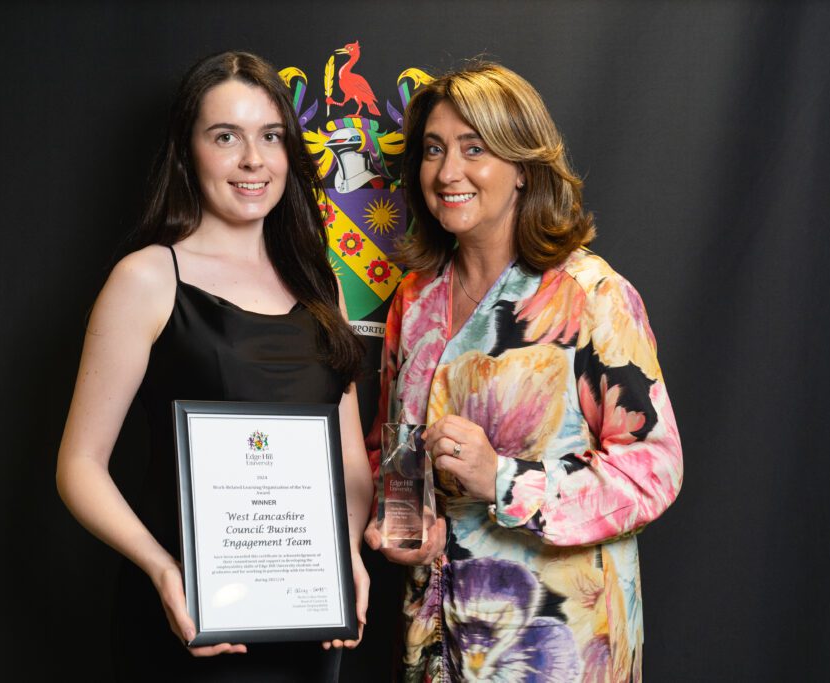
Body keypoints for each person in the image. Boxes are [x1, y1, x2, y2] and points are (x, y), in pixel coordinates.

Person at [57, 51, 372, 682]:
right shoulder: (148, 277)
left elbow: (351, 464)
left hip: (306, 625)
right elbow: (79, 466)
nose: (253, 160)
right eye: (226, 137)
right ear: (187, 151)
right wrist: (164, 571)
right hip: (190, 622)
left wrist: (346, 555)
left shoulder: (322, 286)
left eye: (270, 136)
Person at [363, 63, 683, 681]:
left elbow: (654, 468)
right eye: (433, 150)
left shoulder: (592, 294)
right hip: (434, 634)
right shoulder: (415, 298)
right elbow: (391, 449)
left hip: (558, 638)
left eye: (473, 149)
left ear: (522, 169)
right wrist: (401, 518)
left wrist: (505, 480)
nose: (447, 171)